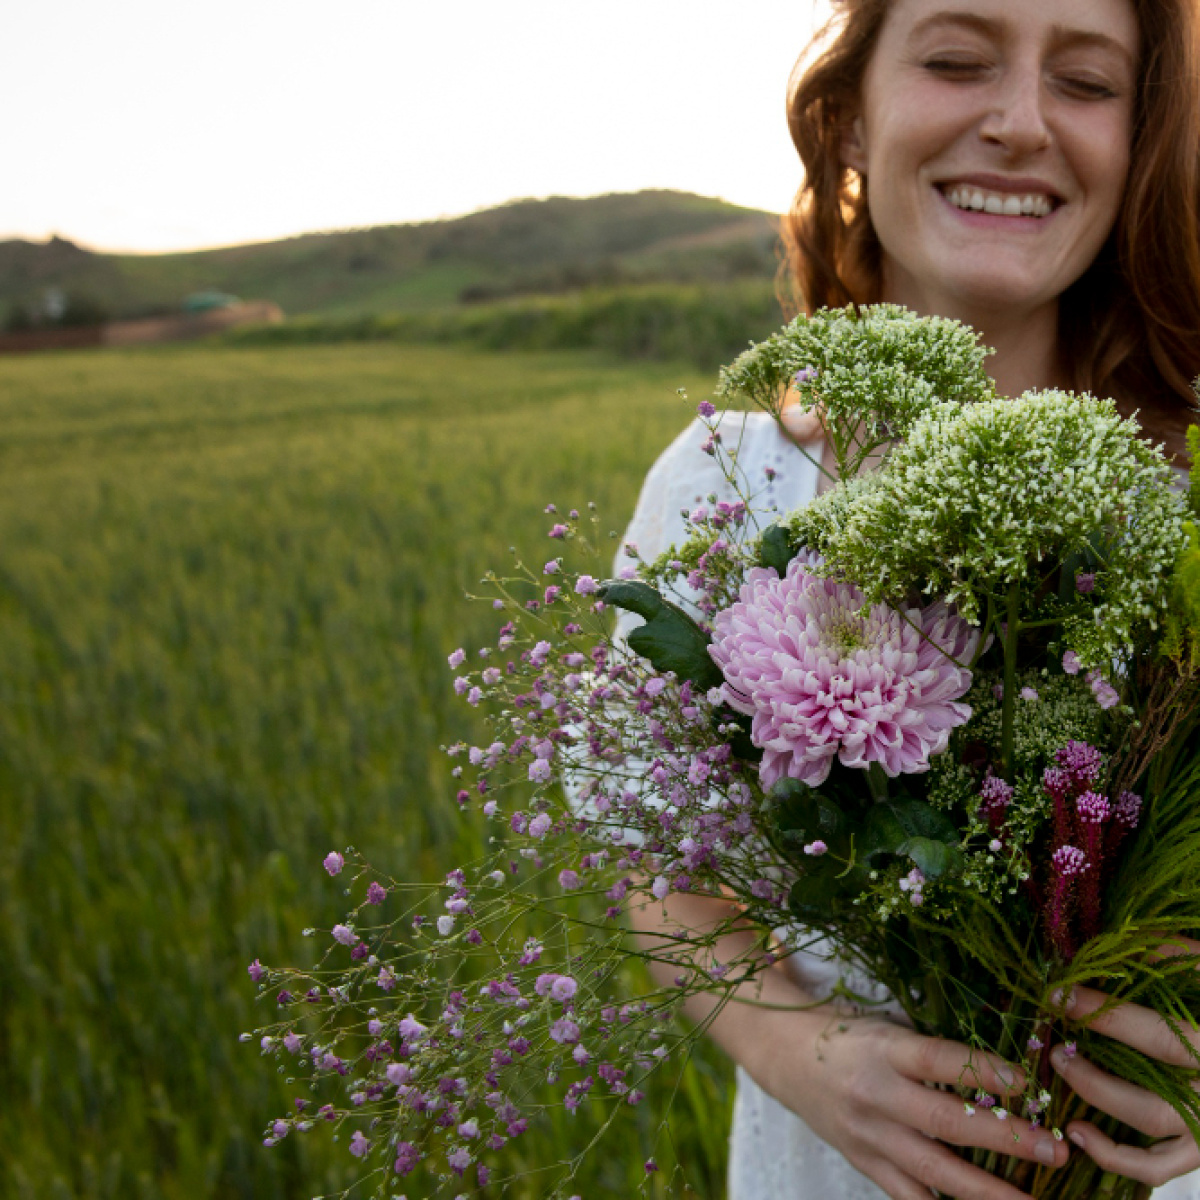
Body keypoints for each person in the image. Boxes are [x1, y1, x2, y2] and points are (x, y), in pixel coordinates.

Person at [623, 0, 1200, 1196]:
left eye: (1086, 84)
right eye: (954, 60)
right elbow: (652, 866)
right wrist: (801, 1051)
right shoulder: (727, 483)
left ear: (1140, 148)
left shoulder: (1186, 496)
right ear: (845, 123)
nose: (1021, 123)